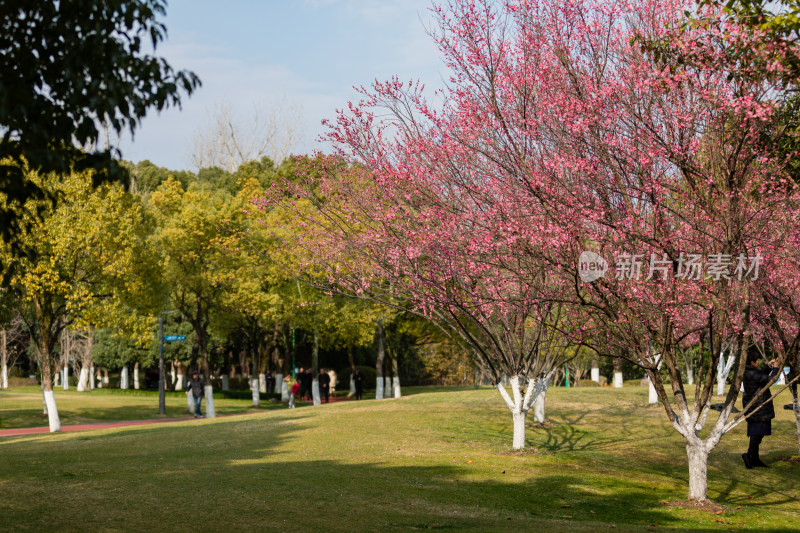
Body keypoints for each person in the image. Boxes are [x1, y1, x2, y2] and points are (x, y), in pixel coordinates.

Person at [742, 347, 780, 469]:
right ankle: (749, 456)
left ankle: (754, 458)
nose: (758, 362)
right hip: (758, 407)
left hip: (756, 406)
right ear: (752, 362)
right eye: (757, 360)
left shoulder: (749, 371)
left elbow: (760, 377)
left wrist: (768, 367)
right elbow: (769, 380)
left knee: (757, 434)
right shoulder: (751, 373)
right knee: (757, 434)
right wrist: (776, 368)